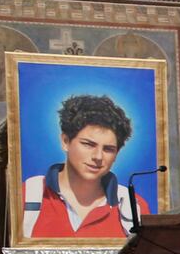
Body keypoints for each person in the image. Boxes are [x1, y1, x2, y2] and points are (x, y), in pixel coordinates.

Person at [22, 94, 150, 239]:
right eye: (88, 144)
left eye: (108, 149)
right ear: (65, 141)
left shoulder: (133, 207)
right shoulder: (27, 197)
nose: (98, 157)